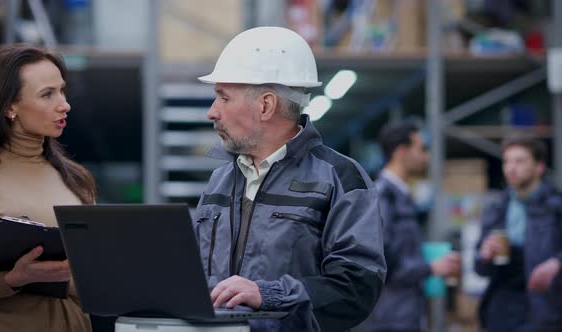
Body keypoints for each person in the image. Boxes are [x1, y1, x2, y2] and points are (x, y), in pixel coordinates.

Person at [193, 26, 386, 331]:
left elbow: (357, 289)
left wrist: (268, 295)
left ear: (265, 105)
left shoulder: (340, 179)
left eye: (224, 98)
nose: (212, 112)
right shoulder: (220, 181)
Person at [0, 45, 96, 332]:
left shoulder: (76, 179)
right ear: (8, 106)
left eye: (62, 91)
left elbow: (90, 283)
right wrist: (11, 280)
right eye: (47, 94)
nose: (64, 104)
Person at [356, 121, 460, 332]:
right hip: (389, 317)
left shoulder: (400, 196)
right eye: (421, 149)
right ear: (402, 151)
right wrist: (432, 268)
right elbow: (382, 263)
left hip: (404, 310)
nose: (426, 156)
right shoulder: (383, 198)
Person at [475, 136, 562, 332]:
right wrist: (484, 255)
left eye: (520, 161)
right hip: (502, 309)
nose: (511, 168)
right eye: (507, 161)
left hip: (546, 307)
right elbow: (479, 268)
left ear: (539, 167)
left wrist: (557, 262)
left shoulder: (556, 206)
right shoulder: (496, 207)